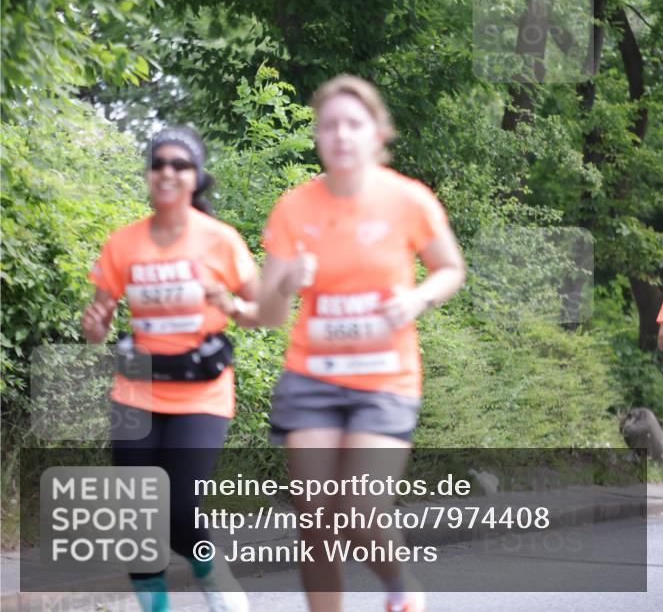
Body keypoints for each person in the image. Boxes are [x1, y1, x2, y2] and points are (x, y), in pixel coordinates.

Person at [258, 76, 466, 612]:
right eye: (329, 125)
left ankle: (399, 586)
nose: (341, 135)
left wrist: (417, 299)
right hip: (313, 376)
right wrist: (286, 281)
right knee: (315, 516)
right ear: (318, 137)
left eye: (354, 124)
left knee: (360, 506)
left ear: (378, 134)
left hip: (384, 379)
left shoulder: (408, 200)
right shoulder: (293, 209)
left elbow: (450, 270)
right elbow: (268, 314)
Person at [81, 126, 258, 612]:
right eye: (158, 162)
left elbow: (260, 305)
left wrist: (231, 304)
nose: (167, 171)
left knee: (180, 509)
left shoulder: (220, 240)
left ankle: (208, 568)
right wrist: (95, 324)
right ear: (148, 174)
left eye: (179, 164)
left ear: (196, 176)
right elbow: (98, 322)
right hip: (137, 389)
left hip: (202, 392)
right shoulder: (123, 243)